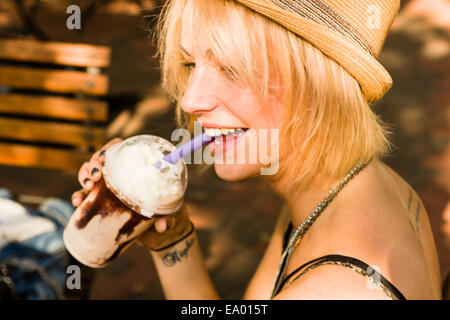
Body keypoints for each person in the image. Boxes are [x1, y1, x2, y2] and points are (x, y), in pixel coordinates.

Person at [71, 0, 442, 299]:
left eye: (231, 68)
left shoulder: (338, 288)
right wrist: (173, 241)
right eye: (190, 63)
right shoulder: (354, 186)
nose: (190, 99)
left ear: (316, 85)